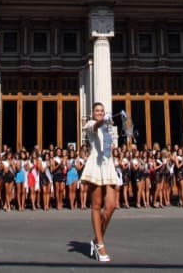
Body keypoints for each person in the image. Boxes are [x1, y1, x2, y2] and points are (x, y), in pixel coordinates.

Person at [81, 102, 119, 263]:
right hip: (95, 166)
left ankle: (97, 238)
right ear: (92, 113)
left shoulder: (108, 128)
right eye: (97, 110)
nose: (99, 112)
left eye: (102, 111)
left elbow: (110, 147)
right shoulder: (90, 124)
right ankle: (100, 245)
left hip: (108, 165)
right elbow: (96, 126)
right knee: (96, 206)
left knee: (111, 205)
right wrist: (103, 121)